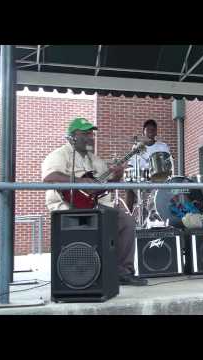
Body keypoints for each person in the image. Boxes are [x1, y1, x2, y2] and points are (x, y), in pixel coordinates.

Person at [42, 117, 147, 286]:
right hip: (66, 206)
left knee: (126, 220)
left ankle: (123, 272)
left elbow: (104, 188)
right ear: (72, 136)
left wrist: (118, 175)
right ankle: (80, 275)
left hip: (95, 205)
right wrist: (79, 181)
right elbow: (49, 177)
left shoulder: (96, 160)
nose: (90, 136)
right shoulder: (59, 155)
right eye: (85, 133)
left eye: (91, 133)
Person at [125, 119, 174, 213]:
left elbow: (168, 164)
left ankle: (159, 211)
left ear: (156, 132)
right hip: (141, 177)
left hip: (159, 177)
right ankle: (129, 215)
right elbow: (131, 165)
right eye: (148, 130)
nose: (151, 132)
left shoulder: (162, 146)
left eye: (153, 130)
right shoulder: (137, 147)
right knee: (128, 185)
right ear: (143, 131)